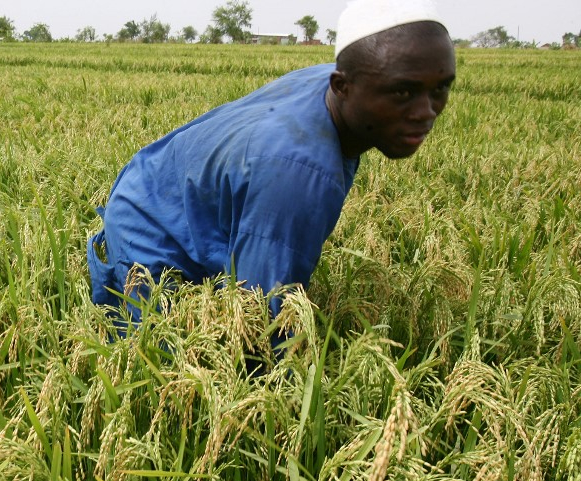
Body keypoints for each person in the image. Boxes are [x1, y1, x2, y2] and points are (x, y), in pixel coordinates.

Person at [87, 0, 456, 332]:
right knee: (165, 347)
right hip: (150, 223)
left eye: (440, 88)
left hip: (164, 179)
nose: (426, 112)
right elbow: (260, 319)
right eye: (403, 92)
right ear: (342, 86)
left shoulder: (344, 84)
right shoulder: (298, 174)